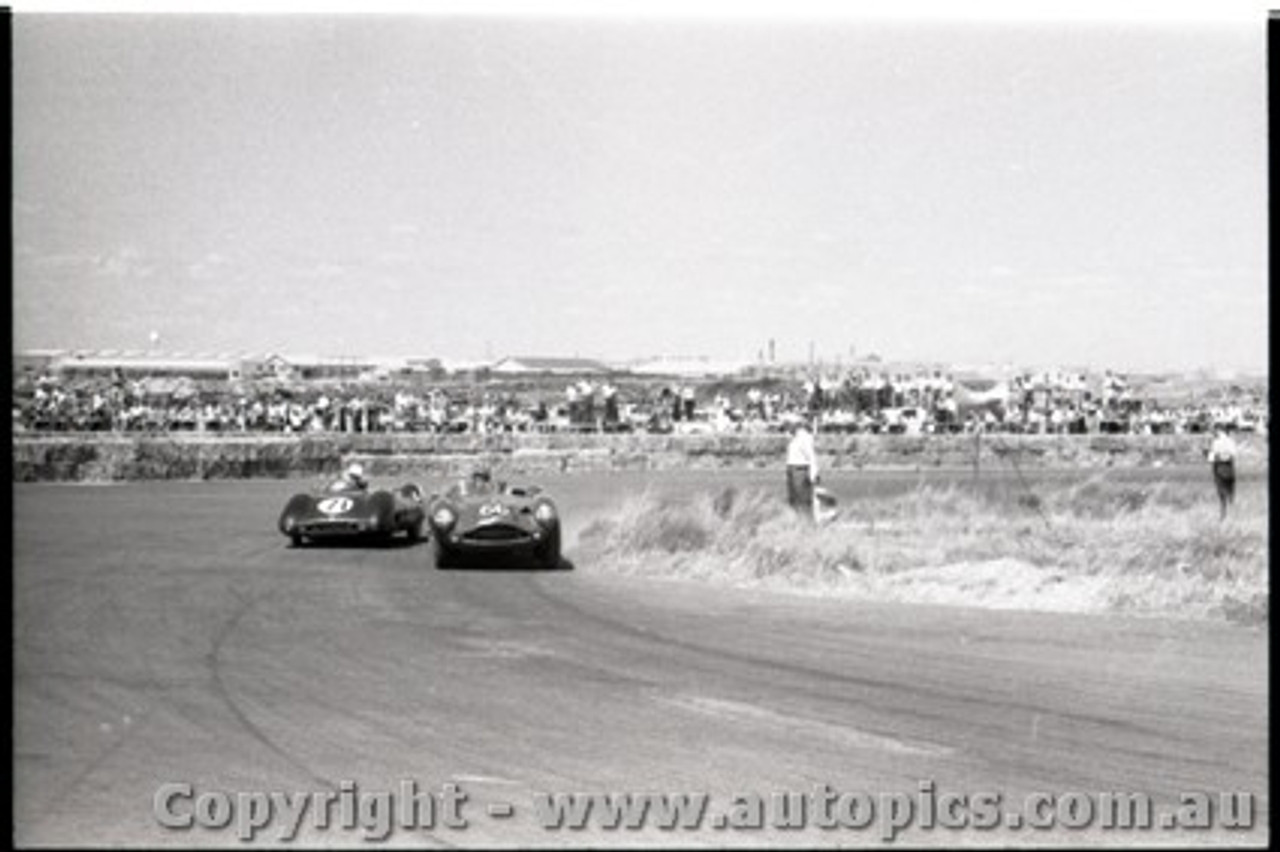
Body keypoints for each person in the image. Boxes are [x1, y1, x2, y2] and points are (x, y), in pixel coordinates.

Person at [785, 418, 819, 520]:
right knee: (793, 499)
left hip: (800, 470)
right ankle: (797, 523)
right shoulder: (792, 437)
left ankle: (807, 524)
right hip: (792, 469)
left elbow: (811, 456)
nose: (787, 427)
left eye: (789, 425)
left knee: (803, 500)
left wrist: (813, 474)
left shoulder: (805, 437)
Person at [1207, 425, 1238, 520]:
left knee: (1222, 493)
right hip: (1229, 468)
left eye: (1215, 431)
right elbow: (1233, 455)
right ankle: (1232, 514)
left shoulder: (1215, 442)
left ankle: (1224, 514)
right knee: (1230, 491)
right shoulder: (1230, 441)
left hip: (1220, 467)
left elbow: (1211, 458)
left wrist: (1214, 456)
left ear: (1219, 431)